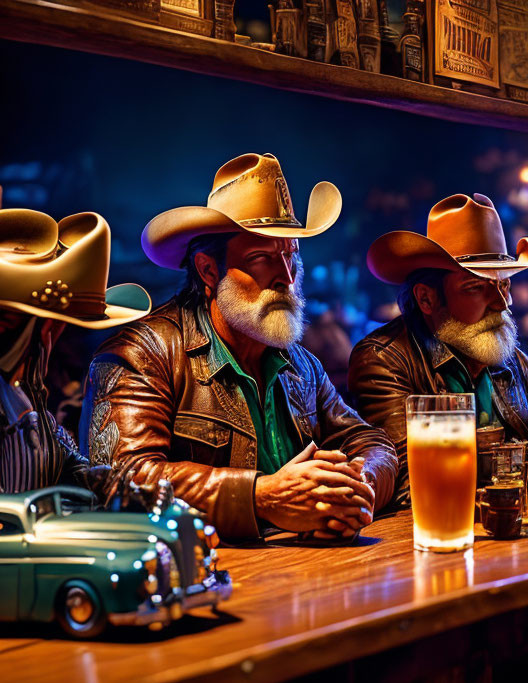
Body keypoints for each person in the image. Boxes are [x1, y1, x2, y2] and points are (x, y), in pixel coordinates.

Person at [80, 153, 398, 541]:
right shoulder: (142, 353)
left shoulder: (301, 365)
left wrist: (357, 486)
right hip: (198, 582)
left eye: (291, 256)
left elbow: (371, 442)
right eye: (262, 258)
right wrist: (260, 496)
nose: (285, 277)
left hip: (302, 578)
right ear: (208, 270)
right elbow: (117, 480)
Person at [348, 193, 528, 510]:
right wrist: (527, 464)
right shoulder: (384, 359)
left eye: (504, 284)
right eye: (475, 287)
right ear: (427, 299)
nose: (502, 303)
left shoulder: (508, 357)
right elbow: (411, 481)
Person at [0, 208, 151, 492]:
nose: (55, 339)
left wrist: (104, 485)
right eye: (56, 327)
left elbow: (62, 461)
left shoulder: (26, 400)